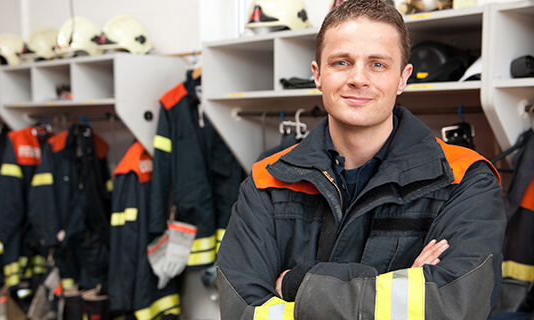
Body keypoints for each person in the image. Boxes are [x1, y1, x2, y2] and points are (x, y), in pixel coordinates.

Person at [216, 0, 507, 318]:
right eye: (341, 62)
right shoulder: (268, 181)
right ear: (318, 75)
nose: (358, 78)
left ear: (403, 78)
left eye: (378, 65)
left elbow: (454, 306)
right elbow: (242, 312)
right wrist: (404, 288)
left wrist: (295, 285)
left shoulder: (464, 179)